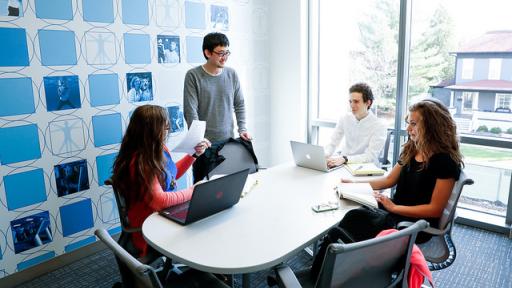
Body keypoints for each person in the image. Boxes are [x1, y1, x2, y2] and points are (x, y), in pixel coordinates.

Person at [311, 98, 464, 277]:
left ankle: (329, 273)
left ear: (431, 127)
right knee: (351, 217)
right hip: (395, 213)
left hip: (413, 225)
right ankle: (331, 271)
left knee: (345, 227)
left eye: (413, 124)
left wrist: (393, 206)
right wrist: (354, 184)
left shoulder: (445, 162)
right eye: (408, 123)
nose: (408, 129)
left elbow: (435, 210)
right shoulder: (412, 149)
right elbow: (389, 180)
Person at [112, 105, 211, 257]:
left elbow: (171, 175)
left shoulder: (157, 149)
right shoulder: (141, 161)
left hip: (162, 214)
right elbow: (159, 201)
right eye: (164, 127)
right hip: (151, 224)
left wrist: (194, 155)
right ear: (151, 130)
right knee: (202, 227)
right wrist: (193, 191)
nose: (167, 131)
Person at [183, 32, 251, 143]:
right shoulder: (193, 75)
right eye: (221, 53)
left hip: (229, 139)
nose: (225, 58)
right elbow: (190, 111)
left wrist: (242, 129)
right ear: (208, 53)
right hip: (204, 143)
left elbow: (240, 104)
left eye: (227, 53)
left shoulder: (232, 74)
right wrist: (198, 138)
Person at [324, 83, 387, 167]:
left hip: (365, 168)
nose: (352, 105)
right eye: (350, 101)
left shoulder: (379, 125)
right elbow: (333, 143)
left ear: (368, 103)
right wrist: (325, 155)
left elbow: (371, 156)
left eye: (356, 101)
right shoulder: (345, 118)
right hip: (343, 165)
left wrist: (345, 159)